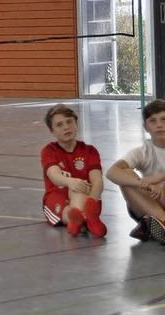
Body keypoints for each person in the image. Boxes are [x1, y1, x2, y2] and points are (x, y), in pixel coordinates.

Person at [41, 104, 107, 237]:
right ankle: (81, 219)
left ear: (76, 123)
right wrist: (71, 182)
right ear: (51, 131)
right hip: (57, 196)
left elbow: (97, 180)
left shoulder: (90, 151)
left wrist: (91, 201)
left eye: (69, 122)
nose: (66, 127)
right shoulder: (49, 151)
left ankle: (82, 217)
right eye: (59, 125)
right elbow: (54, 176)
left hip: (86, 195)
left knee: (79, 190)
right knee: (72, 196)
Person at [106, 98, 165, 243]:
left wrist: (156, 179)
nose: (159, 125)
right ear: (145, 127)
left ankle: (149, 223)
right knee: (125, 175)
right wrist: (143, 184)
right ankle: (161, 222)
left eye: (164, 119)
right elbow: (111, 172)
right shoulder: (143, 151)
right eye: (153, 121)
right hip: (150, 203)